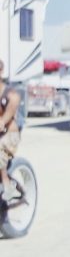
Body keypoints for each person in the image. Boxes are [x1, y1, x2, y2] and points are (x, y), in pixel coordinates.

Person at [0, 59, 23, 203]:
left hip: (10, 135)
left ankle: (7, 185)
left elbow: (4, 121)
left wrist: (2, 122)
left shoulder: (11, 95)